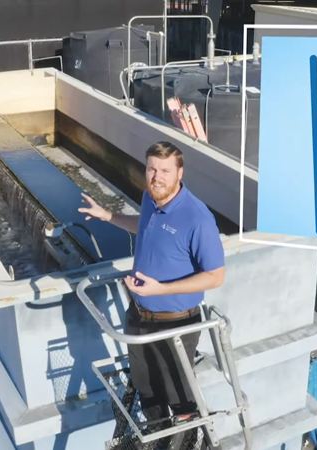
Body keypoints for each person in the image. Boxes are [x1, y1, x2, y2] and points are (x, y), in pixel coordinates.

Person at [78, 141, 226, 426]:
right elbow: (145, 224)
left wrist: (161, 289)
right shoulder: (150, 198)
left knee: (180, 397)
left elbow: (216, 276)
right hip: (139, 317)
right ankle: (159, 437)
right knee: (146, 390)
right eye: (152, 169)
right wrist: (108, 216)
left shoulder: (198, 218)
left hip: (177, 325)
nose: (157, 177)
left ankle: (185, 442)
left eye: (165, 171)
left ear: (180, 173)